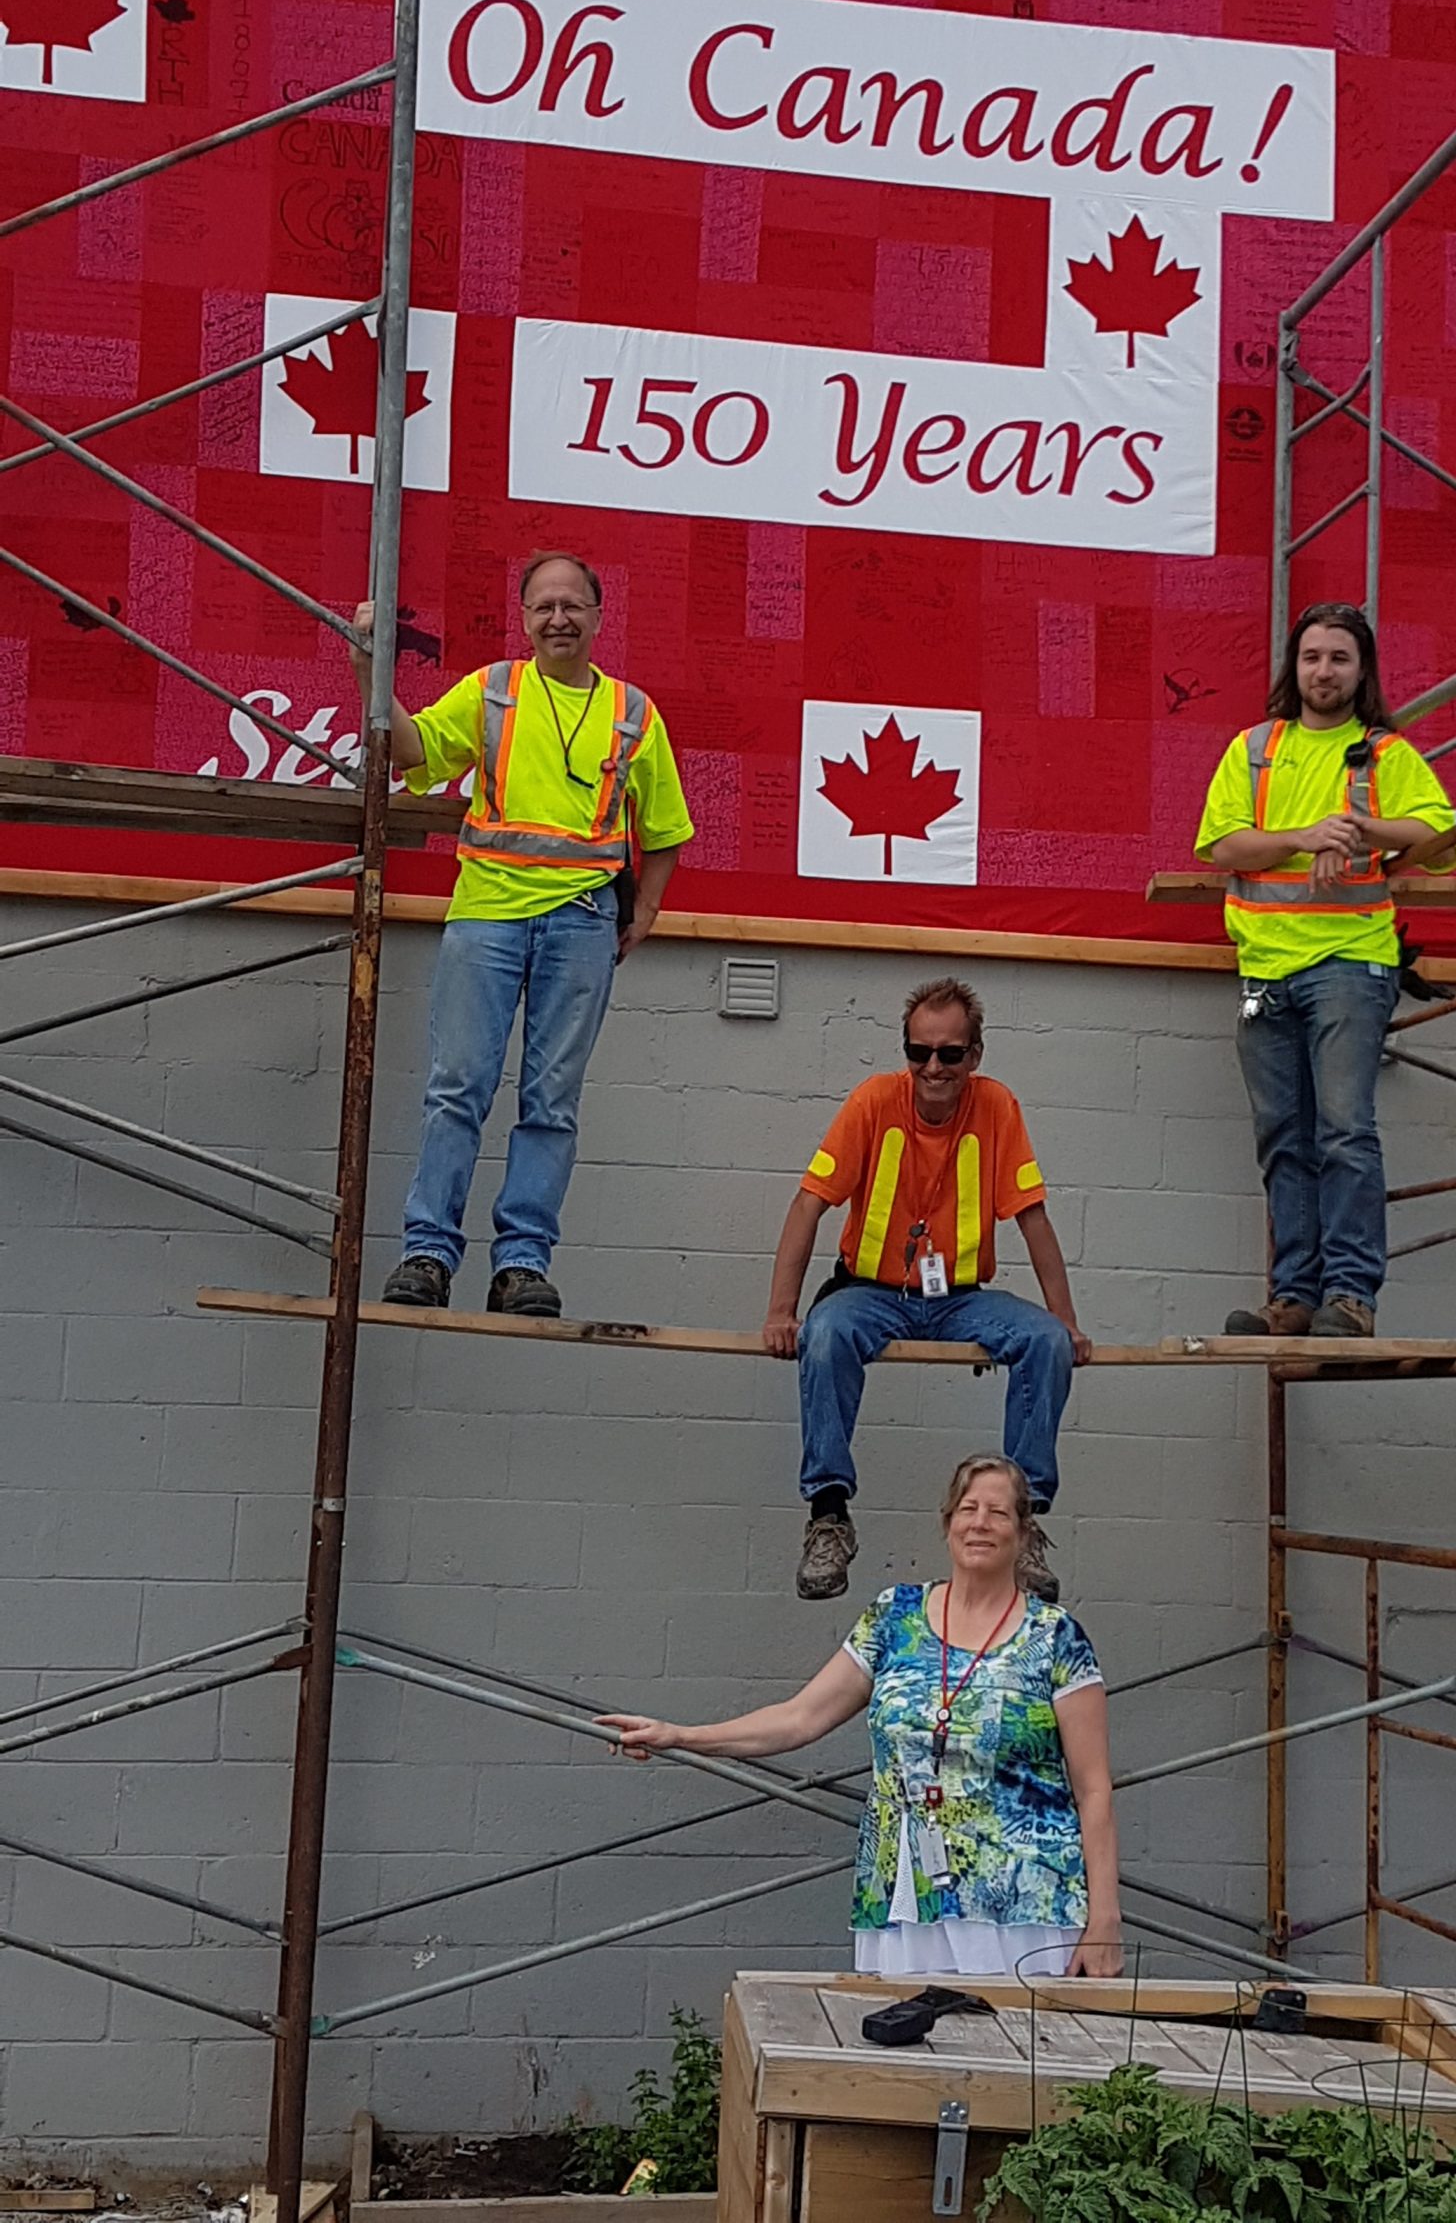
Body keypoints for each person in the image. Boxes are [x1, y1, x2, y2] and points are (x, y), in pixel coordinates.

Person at [597, 1453, 1122, 1980]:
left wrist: (1104, 1920)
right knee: (904, 2056)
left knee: (1022, 2056)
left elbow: (1093, 1788)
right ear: (948, 1523)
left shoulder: (1056, 1638)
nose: (980, 1522)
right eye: (968, 1508)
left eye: (999, 1512)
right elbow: (800, 1718)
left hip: (1026, 1905)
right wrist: (681, 1736)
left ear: (1024, 1532)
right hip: (905, 1900)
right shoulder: (893, 1617)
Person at [353, 552, 694, 1319]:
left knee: (551, 1102)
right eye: (543, 606)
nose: (558, 618)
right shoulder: (494, 691)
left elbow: (666, 828)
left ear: (599, 618)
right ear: (526, 617)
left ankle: (521, 1265)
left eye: (572, 605)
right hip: (488, 915)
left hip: (580, 921)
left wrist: (644, 913)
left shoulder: (633, 713)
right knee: (457, 1089)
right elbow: (410, 750)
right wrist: (364, 666)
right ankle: (428, 1253)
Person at [762, 977, 1092, 1604]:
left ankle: (1023, 1525)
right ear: (906, 1053)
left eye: (950, 1053)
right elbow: (809, 1205)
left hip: (963, 1298)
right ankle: (829, 1516)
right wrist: (782, 1311)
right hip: (870, 1290)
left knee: (1045, 1340)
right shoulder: (873, 1101)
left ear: (975, 1055)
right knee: (825, 1332)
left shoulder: (997, 1107)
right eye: (920, 1053)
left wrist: (1068, 1322)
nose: (933, 1067)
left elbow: (1033, 1218)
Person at [1194, 601, 1456, 1341]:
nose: (1324, 671)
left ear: (1361, 670)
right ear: (1294, 666)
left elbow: (1441, 838)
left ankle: (1349, 1296)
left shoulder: (1385, 755)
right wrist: (1308, 836)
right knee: (1285, 1134)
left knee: (1344, 1132)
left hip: (1350, 964)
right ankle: (1294, 1297)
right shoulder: (1255, 749)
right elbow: (1222, 848)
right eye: (1313, 656)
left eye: (1340, 658)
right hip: (1266, 968)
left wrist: (1364, 828)